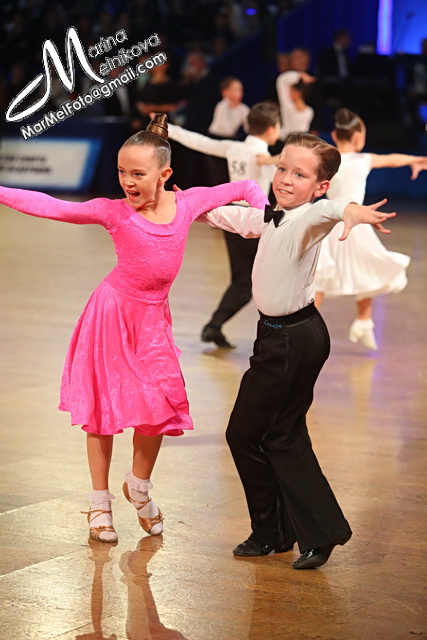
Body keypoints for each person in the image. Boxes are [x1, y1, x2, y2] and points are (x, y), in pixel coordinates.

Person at [0, 114, 267, 544]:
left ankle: (139, 488)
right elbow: (54, 205)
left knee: (161, 406)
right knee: (102, 411)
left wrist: (265, 213)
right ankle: (99, 503)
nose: (127, 181)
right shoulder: (114, 212)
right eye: (122, 171)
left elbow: (245, 187)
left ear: (165, 175)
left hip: (153, 321)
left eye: (137, 174)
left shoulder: (189, 203)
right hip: (112, 316)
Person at [198, 132, 396, 568]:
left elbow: (332, 210)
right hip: (283, 336)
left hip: (292, 340)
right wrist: (187, 206)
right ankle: (293, 532)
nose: (286, 179)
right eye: (283, 168)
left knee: (252, 434)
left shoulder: (309, 216)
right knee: (275, 434)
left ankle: (280, 532)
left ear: (320, 186)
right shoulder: (275, 216)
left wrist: (352, 211)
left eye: (299, 175)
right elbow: (239, 218)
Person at [168, 102, 281, 348]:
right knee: (262, 284)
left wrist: (168, 128)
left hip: (232, 220)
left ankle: (215, 326)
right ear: (272, 128)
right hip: (255, 221)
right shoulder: (267, 159)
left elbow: (199, 141)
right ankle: (271, 338)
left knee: (243, 282)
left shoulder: (234, 148)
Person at [314, 108, 427, 350]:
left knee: (323, 275)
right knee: (364, 267)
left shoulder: (328, 159)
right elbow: (392, 159)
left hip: (331, 221)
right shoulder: (362, 159)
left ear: (334, 135)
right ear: (358, 137)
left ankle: (352, 323)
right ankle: (362, 321)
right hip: (355, 222)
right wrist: (415, 160)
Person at [276, 48, 316, 140]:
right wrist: (300, 75)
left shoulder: (309, 112)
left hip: (302, 140)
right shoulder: (289, 105)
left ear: (298, 93)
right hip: (286, 139)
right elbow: (282, 80)